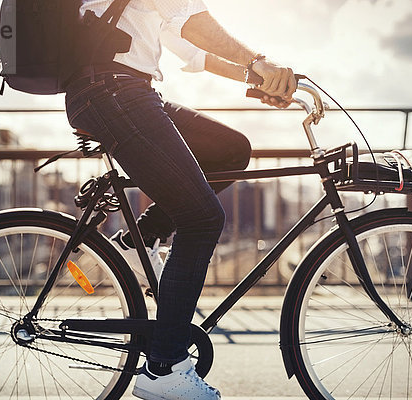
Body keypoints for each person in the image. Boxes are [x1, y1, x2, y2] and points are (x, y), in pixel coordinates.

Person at [65, 1, 297, 399]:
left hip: (126, 90)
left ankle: (141, 241)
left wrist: (260, 81)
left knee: (230, 150)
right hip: (114, 91)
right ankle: (164, 368)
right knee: (202, 219)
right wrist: (260, 61)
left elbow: (194, 52)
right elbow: (191, 22)